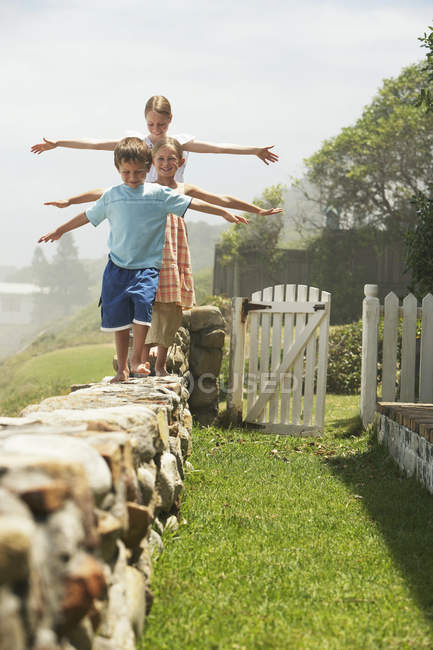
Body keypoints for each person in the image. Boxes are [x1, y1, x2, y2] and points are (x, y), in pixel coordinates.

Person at [44, 136, 282, 376]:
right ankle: (128, 366)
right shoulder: (118, 193)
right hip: (123, 263)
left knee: (152, 308)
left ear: (152, 168)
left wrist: (228, 212)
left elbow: (204, 198)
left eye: (138, 172)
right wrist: (61, 225)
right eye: (126, 172)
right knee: (126, 314)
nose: (132, 177)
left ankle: (144, 361)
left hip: (156, 261)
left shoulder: (163, 193)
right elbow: (91, 206)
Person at [30, 95, 279, 181]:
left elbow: (218, 148)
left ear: (170, 119)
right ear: (145, 121)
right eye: (151, 124)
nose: (156, 128)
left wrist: (254, 150)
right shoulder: (138, 142)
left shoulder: (179, 142)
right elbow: (96, 144)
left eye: (161, 123)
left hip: (171, 200)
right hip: (143, 200)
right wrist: (59, 143)